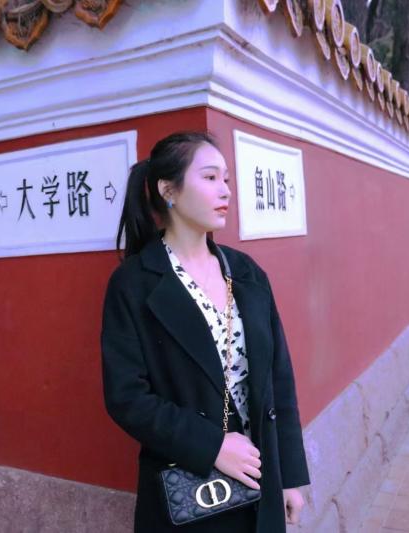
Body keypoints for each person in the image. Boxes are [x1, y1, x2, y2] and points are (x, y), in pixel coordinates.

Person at [100, 131, 310, 532]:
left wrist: (290, 476)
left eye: (226, 179)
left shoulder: (246, 272)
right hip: (190, 489)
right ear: (168, 190)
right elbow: (127, 397)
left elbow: (278, 380)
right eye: (210, 177)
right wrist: (212, 446)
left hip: (261, 479)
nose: (225, 190)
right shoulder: (135, 283)